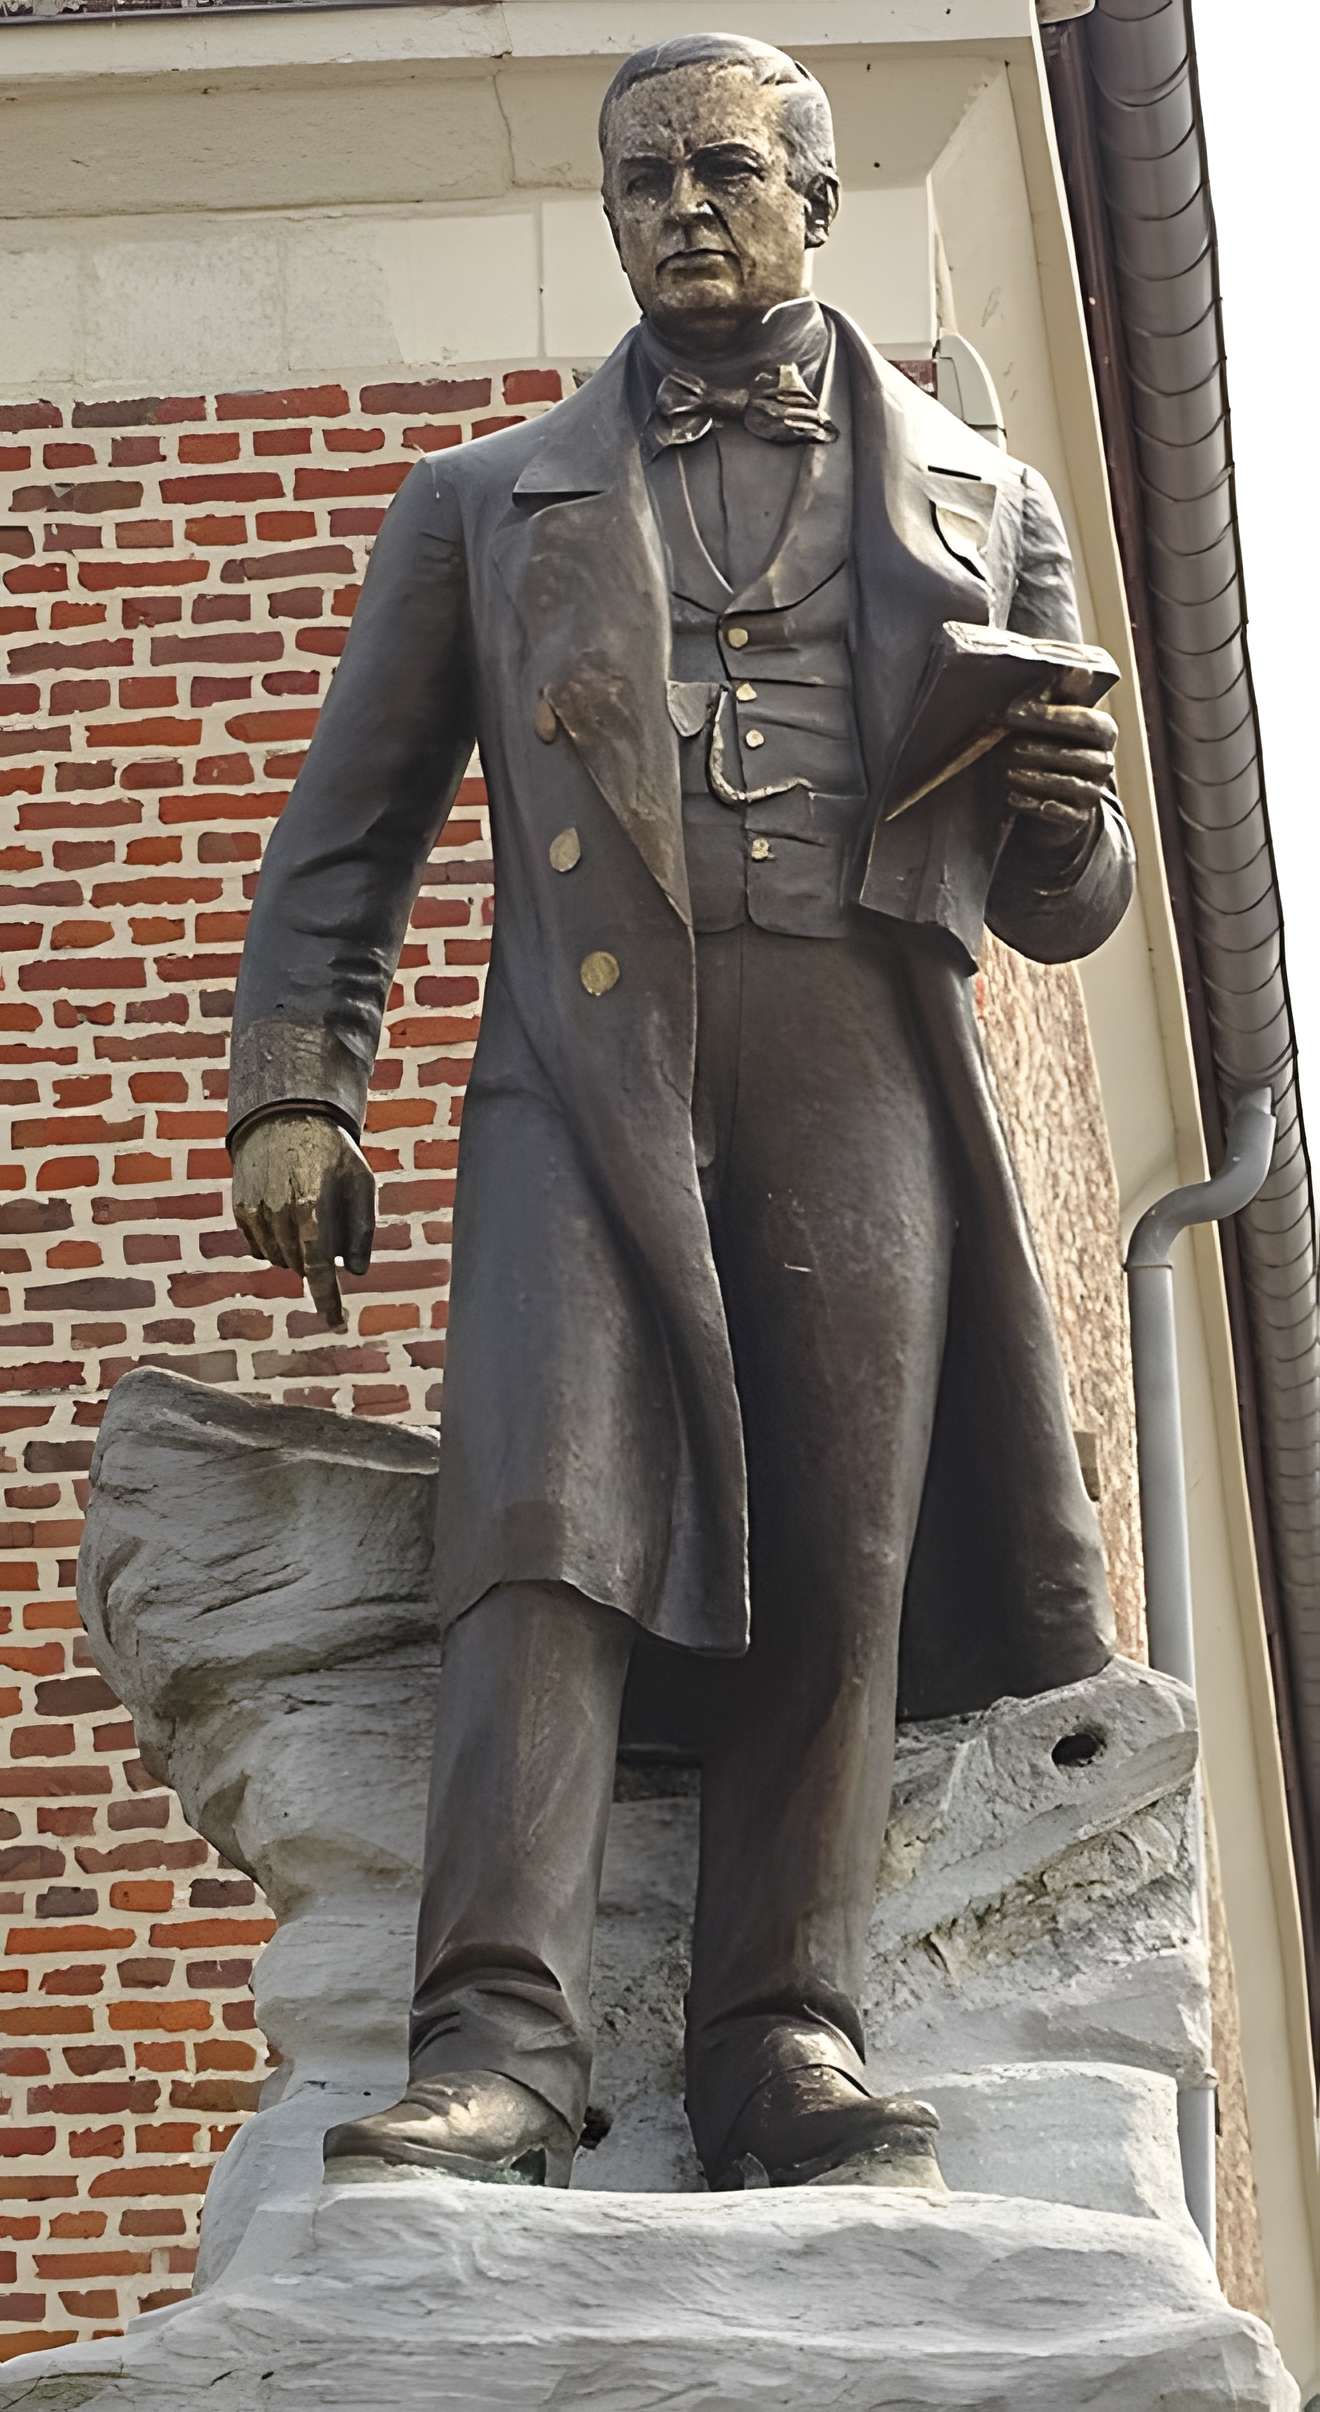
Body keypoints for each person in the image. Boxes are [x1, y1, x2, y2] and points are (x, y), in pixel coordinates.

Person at [227, 32, 1133, 2194]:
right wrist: (302, 1092)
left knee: (847, 1538)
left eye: (724, 171)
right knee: (542, 1529)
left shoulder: (989, 503)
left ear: (818, 197)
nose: (678, 211)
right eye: (640, 182)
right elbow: (345, 835)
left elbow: (1066, 901)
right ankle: (498, 2046)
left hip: (859, 1053)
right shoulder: (482, 503)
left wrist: (1070, 817)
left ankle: (784, 2036)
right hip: (582, 1060)